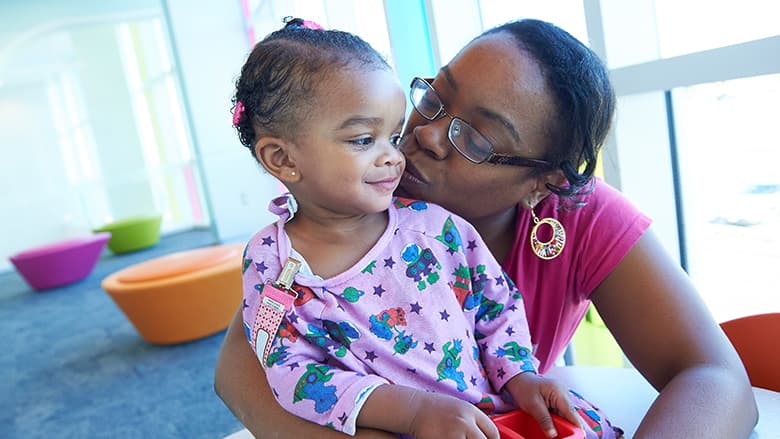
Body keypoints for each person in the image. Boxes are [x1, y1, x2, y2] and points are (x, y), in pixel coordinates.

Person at [216, 18, 758, 439]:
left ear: (542, 184)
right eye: (432, 98)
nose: (423, 135)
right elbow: (246, 368)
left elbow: (716, 378)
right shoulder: (345, 203)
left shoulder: (579, 217)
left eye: (475, 138)